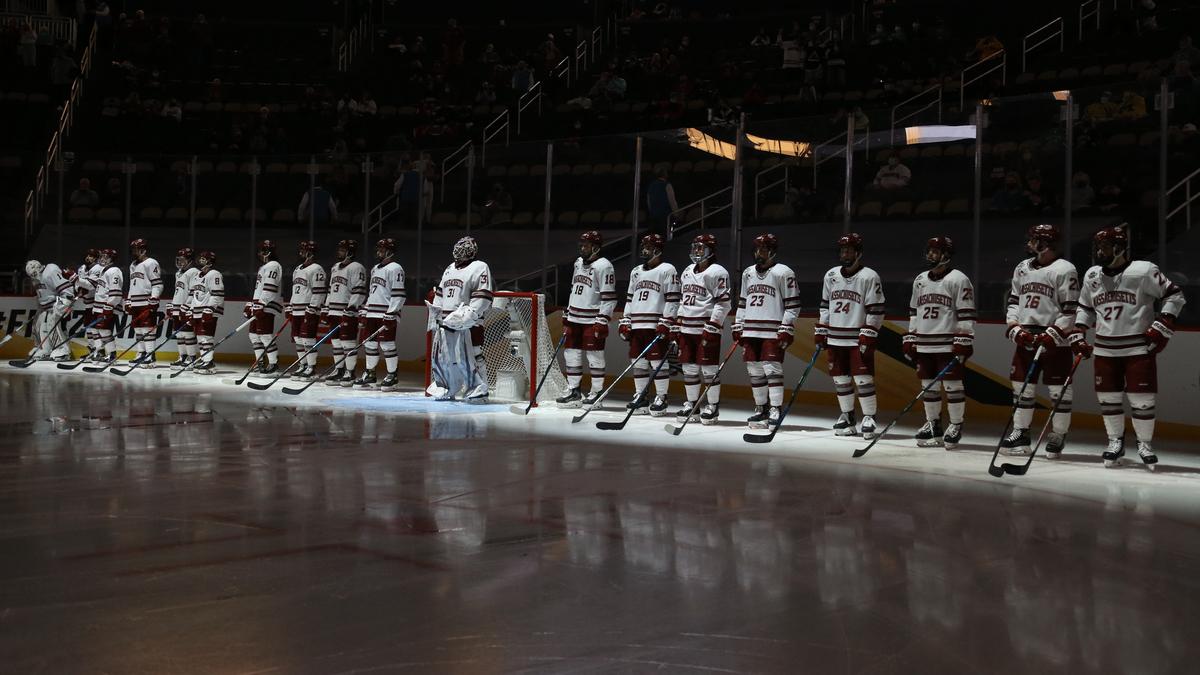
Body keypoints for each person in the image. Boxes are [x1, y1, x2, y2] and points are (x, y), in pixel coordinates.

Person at [1072, 227, 1185, 468]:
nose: (1100, 251)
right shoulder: (1092, 274)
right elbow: (1085, 307)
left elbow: (1174, 295)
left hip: (1137, 348)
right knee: (1108, 398)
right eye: (1099, 246)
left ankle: (1145, 444)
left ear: (1120, 248)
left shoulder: (1143, 270)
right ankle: (1115, 442)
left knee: (1141, 398)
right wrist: (1079, 331)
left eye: (1106, 246)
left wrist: (1164, 322)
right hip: (1104, 348)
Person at [1000, 225, 1080, 458]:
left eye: (1034, 239)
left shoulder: (1065, 269)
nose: (1029, 243)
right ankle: (1021, 433)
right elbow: (1013, 301)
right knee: (1021, 388)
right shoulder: (1022, 268)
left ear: (1046, 243)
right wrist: (1014, 327)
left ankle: (1058, 435)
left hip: (1055, 342)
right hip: (1026, 338)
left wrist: (1053, 333)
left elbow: (1071, 309)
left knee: (1058, 391)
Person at [902, 237, 976, 449]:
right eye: (930, 251)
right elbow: (914, 312)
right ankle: (933, 423)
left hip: (947, 343)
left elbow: (967, 313)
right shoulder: (920, 280)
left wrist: (964, 338)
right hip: (925, 343)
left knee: (953, 385)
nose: (930, 255)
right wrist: (911, 336)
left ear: (946, 255)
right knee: (928, 386)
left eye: (935, 251)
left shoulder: (959, 279)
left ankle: (956, 424)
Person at [815, 234, 885, 438]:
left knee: (863, 378)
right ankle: (847, 415)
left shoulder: (869, 276)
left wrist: (870, 332)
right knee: (840, 379)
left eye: (850, 250)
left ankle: (869, 417)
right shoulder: (830, 275)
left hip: (857, 338)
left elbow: (876, 309)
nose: (845, 254)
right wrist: (822, 329)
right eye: (843, 250)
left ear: (858, 253)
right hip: (836, 337)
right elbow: (825, 306)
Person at [732, 234, 800, 429]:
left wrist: (786, 327)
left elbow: (793, 304)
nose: (759, 253)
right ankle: (761, 408)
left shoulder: (783, 272)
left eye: (763, 249)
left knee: (772, 369)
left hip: (772, 331)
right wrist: (739, 324)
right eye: (757, 249)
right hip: (751, 330)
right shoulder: (748, 273)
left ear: (772, 251)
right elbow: (743, 302)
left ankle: (775, 408)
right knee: (754, 370)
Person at [618, 235, 680, 416]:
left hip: (655, 325)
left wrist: (666, 320)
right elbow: (630, 298)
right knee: (637, 363)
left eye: (649, 247)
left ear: (658, 250)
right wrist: (626, 320)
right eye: (644, 247)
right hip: (637, 324)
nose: (644, 250)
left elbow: (673, 299)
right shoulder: (636, 271)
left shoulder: (667, 270)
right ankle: (641, 397)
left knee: (658, 362)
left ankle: (661, 397)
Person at [673, 234, 731, 425]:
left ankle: (713, 406)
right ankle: (692, 404)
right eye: (695, 248)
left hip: (706, 328)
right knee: (689, 369)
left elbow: (724, 303)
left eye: (701, 248)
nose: (697, 252)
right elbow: (683, 298)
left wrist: (714, 325)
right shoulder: (688, 270)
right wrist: (678, 321)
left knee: (708, 369)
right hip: (687, 328)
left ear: (711, 251)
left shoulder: (718, 272)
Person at [428, 237, 494, 402]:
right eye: (458, 248)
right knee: (447, 357)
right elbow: (441, 294)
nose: (459, 252)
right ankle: (447, 387)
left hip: (469, 322)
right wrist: (436, 314)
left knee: (474, 354)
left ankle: (480, 389)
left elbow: (483, 295)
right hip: (447, 321)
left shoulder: (480, 267)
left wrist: (470, 315)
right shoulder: (450, 268)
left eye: (463, 249)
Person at [556, 231, 618, 408]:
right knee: (571, 355)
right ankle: (574, 392)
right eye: (582, 244)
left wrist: (603, 319)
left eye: (587, 245)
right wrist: (567, 312)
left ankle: (597, 393)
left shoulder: (604, 266)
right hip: (575, 317)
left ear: (596, 247)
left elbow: (609, 298)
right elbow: (574, 288)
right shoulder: (578, 263)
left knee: (594, 356)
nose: (583, 248)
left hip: (592, 319)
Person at [352, 239, 405, 389]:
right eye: (378, 250)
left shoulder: (395, 268)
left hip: (385, 314)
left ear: (390, 252)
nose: (378, 252)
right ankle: (370, 374)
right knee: (370, 344)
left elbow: (399, 294)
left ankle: (392, 375)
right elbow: (373, 292)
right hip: (372, 314)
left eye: (382, 250)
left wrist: (392, 312)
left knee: (387, 345)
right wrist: (365, 309)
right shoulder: (375, 268)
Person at [322, 240, 368, 386]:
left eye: (342, 250)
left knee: (347, 343)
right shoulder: (335, 268)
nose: (339, 252)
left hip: (347, 312)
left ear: (350, 252)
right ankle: (339, 369)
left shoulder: (357, 268)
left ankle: (350, 371)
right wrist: (326, 307)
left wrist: (352, 308)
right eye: (339, 249)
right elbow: (331, 289)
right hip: (334, 311)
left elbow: (359, 290)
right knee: (336, 343)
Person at [289, 241, 328, 383]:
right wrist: (290, 306)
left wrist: (312, 308)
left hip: (308, 310)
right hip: (297, 310)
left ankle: (311, 367)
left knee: (308, 340)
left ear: (310, 253)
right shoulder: (297, 269)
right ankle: (303, 365)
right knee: (298, 340)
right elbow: (295, 290)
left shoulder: (317, 269)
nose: (300, 254)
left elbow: (319, 291)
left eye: (303, 251)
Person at [245, 240, 284, 374]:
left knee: (265, 336)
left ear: (267, 252)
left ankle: (273, 364)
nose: (259, 253)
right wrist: (251, 304)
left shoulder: (273, 265)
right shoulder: (264, 266)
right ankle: (259, 362)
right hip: (260, 305)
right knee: (254, 335)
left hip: (266, 306)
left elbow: (270, 287)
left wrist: (261, 304)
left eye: (261, 251)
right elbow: (259, 289)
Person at [24, 260, 74, 361]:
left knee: (52, 323)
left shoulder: (50, 270)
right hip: (45, 306)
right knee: (37, 325)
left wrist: (65, 301)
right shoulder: (36, 277)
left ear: (38, 268)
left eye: (34, 274)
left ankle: (62, 349)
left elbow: (67, 288)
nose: (33, 277)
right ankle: (44, 348)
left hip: (57, 303)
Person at [125, 239, 163, 367]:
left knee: (147, 329)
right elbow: (132, 284)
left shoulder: (151, 263)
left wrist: (154, 298)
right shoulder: (133, 265)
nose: (134, 252)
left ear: (143, 250)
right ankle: (141, 353)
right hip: (135, 302)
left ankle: (150, 355)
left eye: (136, 249)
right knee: (138, 330)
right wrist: (129, 300)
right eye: (133, 249)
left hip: (146, 301)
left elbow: (157, 283)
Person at [189, 251, 224, 374]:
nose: (200, 261)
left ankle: (209, 362)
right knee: (200, 337)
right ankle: (205, 360)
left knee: (206, 337)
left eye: (204, 259)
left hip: (209, 311)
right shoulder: (198, 275)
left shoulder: (214, 274)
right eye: (201, 258)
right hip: (198, 311)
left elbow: (218, 294)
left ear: (210, 261)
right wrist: (191, 310)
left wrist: (210, 308)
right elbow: (194, 295)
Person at [89, 249, 124, 363]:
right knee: (95, 330)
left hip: (105, 306)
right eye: (102, 257)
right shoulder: (103, 270)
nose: (102, 259)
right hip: (97, 306)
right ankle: (100, 351)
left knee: (104, 331)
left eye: (105, 257)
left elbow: (116, 291)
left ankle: (111, 354)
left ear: (111, 259)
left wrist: (110, 304)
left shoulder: (114, 271)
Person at [167, 248, 199, 370]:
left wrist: (187, 306)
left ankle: (192, 358)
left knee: (188, 333)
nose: (180, 262)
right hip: (177, 307)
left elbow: (194, 291)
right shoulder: (178, 273)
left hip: (186, 308)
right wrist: (172, 304)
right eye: (179, 260)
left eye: (182, 259)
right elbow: (178, 291)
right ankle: (183, 357)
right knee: (179, 334)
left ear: (189, 260)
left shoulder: (194, 272)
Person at [74, 249, 104, 359]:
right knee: (88, 327)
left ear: (96, 258)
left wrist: (75, 279)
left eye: (91, 256)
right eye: (88, 255)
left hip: (97, 302)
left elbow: (91, 285)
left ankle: (100, 350)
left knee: (95, 327)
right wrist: (78, 288)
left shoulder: (98, 269)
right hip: (87, 302)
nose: (88, 257)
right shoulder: (82, 268)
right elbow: (78, 284)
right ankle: (92, 349)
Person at [646, 168, 679, 236]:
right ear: (665, 175)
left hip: (654, 215)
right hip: (665, 214)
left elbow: (649, 200)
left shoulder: (651, 185)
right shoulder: (667, 185)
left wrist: (651, 211)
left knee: (655, 236)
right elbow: (671, 200)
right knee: (665, 236)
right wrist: (675, 213)